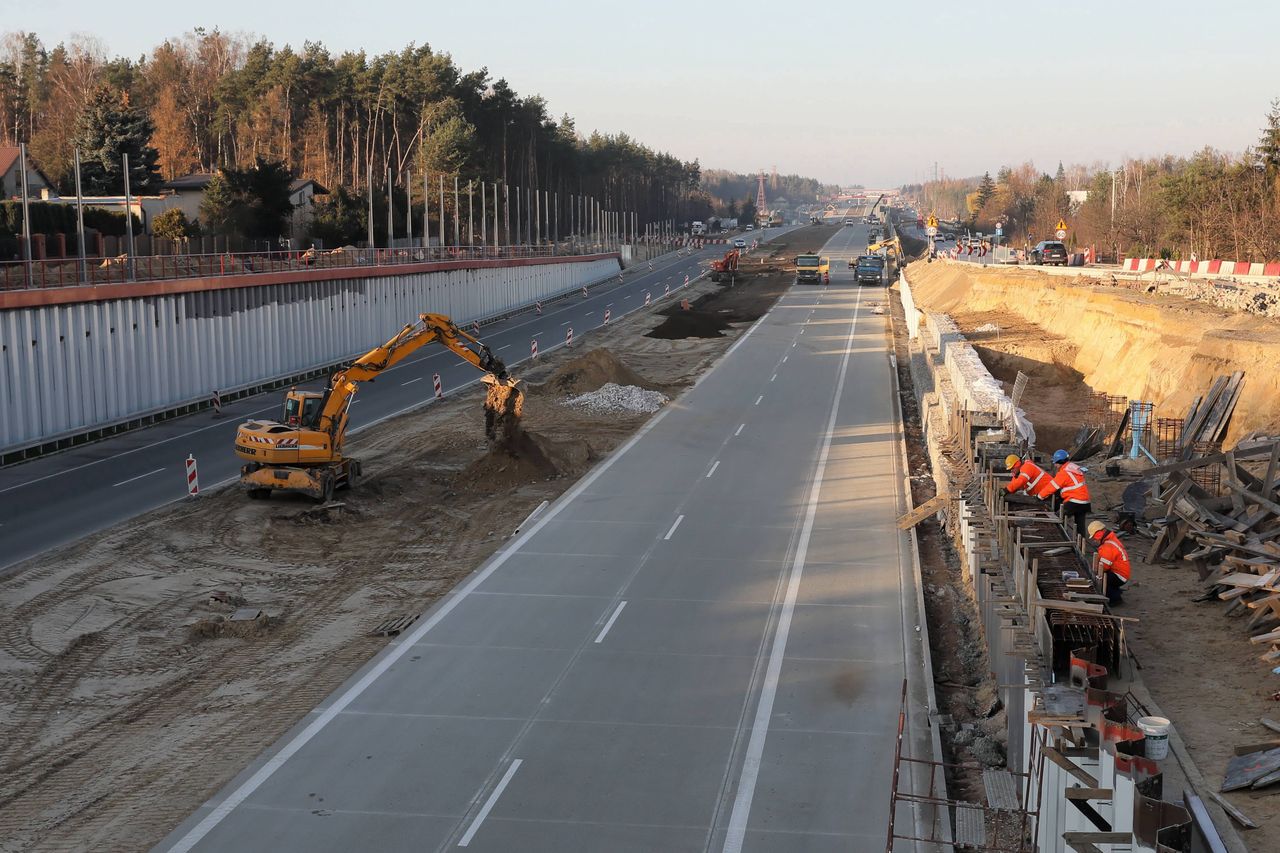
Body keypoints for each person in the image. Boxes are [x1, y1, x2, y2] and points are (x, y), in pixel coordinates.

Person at [1051, 449, 1092, 536]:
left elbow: (1052, 487)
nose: (1055, 465)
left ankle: (1059, 537)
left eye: (1055, 463)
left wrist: (1040, 496)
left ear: (1060, 462)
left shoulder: (1064, 472)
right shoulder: (1072, 468)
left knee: (1057, 518)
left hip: (1075, 501)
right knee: (1080, 525)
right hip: (1085, 501)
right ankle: (1081, 543)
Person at [1088, 521, 1131, 604]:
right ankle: (1115, 590)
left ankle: (1114, 599)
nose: (1094, 540)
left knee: (1102, 579)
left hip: (1120, 575)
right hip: (1121, 573)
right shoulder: (1111, 540)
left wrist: (1094, 573)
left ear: (1099, 534)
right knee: (1105, 577)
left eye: (1094, 537)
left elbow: (1104, 566)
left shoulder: (1107, 546)